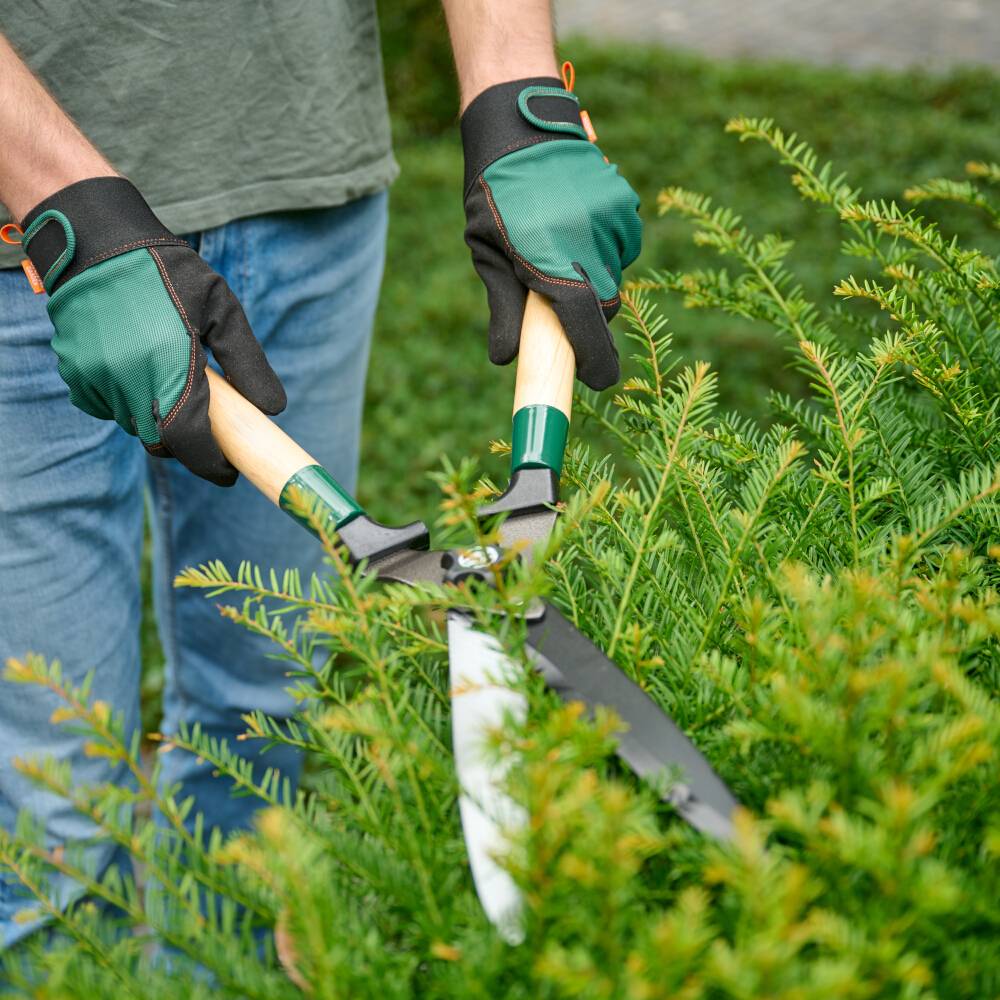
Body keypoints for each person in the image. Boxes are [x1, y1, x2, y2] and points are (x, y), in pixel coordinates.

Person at [0, 1, 642, 945]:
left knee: (262, 711)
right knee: (56, 794)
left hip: (308, 183)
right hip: (23, 240)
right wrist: (70, 209)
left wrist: (518, 92)